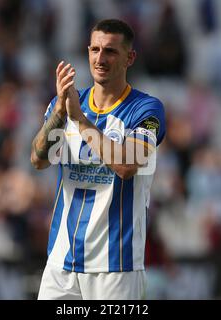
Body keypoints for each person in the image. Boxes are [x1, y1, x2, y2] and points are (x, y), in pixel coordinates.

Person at [31, 19, 166, 300]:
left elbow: (127, 165)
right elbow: (38, 159)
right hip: (61, 262)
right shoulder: (67, 103)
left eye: (110, 51)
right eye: (95, 49)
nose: (100, 58)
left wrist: (79, 120)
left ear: (130, 58)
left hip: (116, 266)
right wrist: (59, 110)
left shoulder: (148, 110)